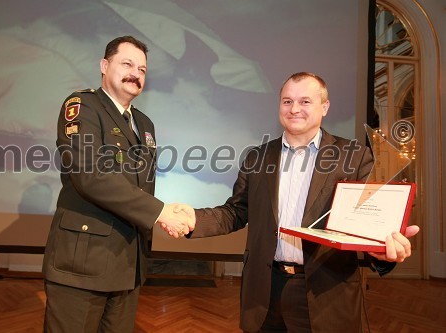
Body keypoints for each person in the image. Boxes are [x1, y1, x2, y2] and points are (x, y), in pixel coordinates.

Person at [166, 72, 419, 332]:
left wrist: (381, 250)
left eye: (305, 101)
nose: (294, 108)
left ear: (325, 107)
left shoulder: (354, 157)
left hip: (326, 294)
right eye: (287, 101)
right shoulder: (258, 156)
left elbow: (369, 222)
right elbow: (236, 211)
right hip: (265, 291)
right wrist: (193, 219)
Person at [42, 35, 194, 333]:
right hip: (82, 262)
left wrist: (163, 214)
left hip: (128, 263)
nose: (135, 74)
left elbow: (139, 187)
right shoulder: (82, 105)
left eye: (142, 70)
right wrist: (161, 212)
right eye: (127, 64)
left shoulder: (145, 124)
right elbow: (90, 175)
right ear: (104, 65)